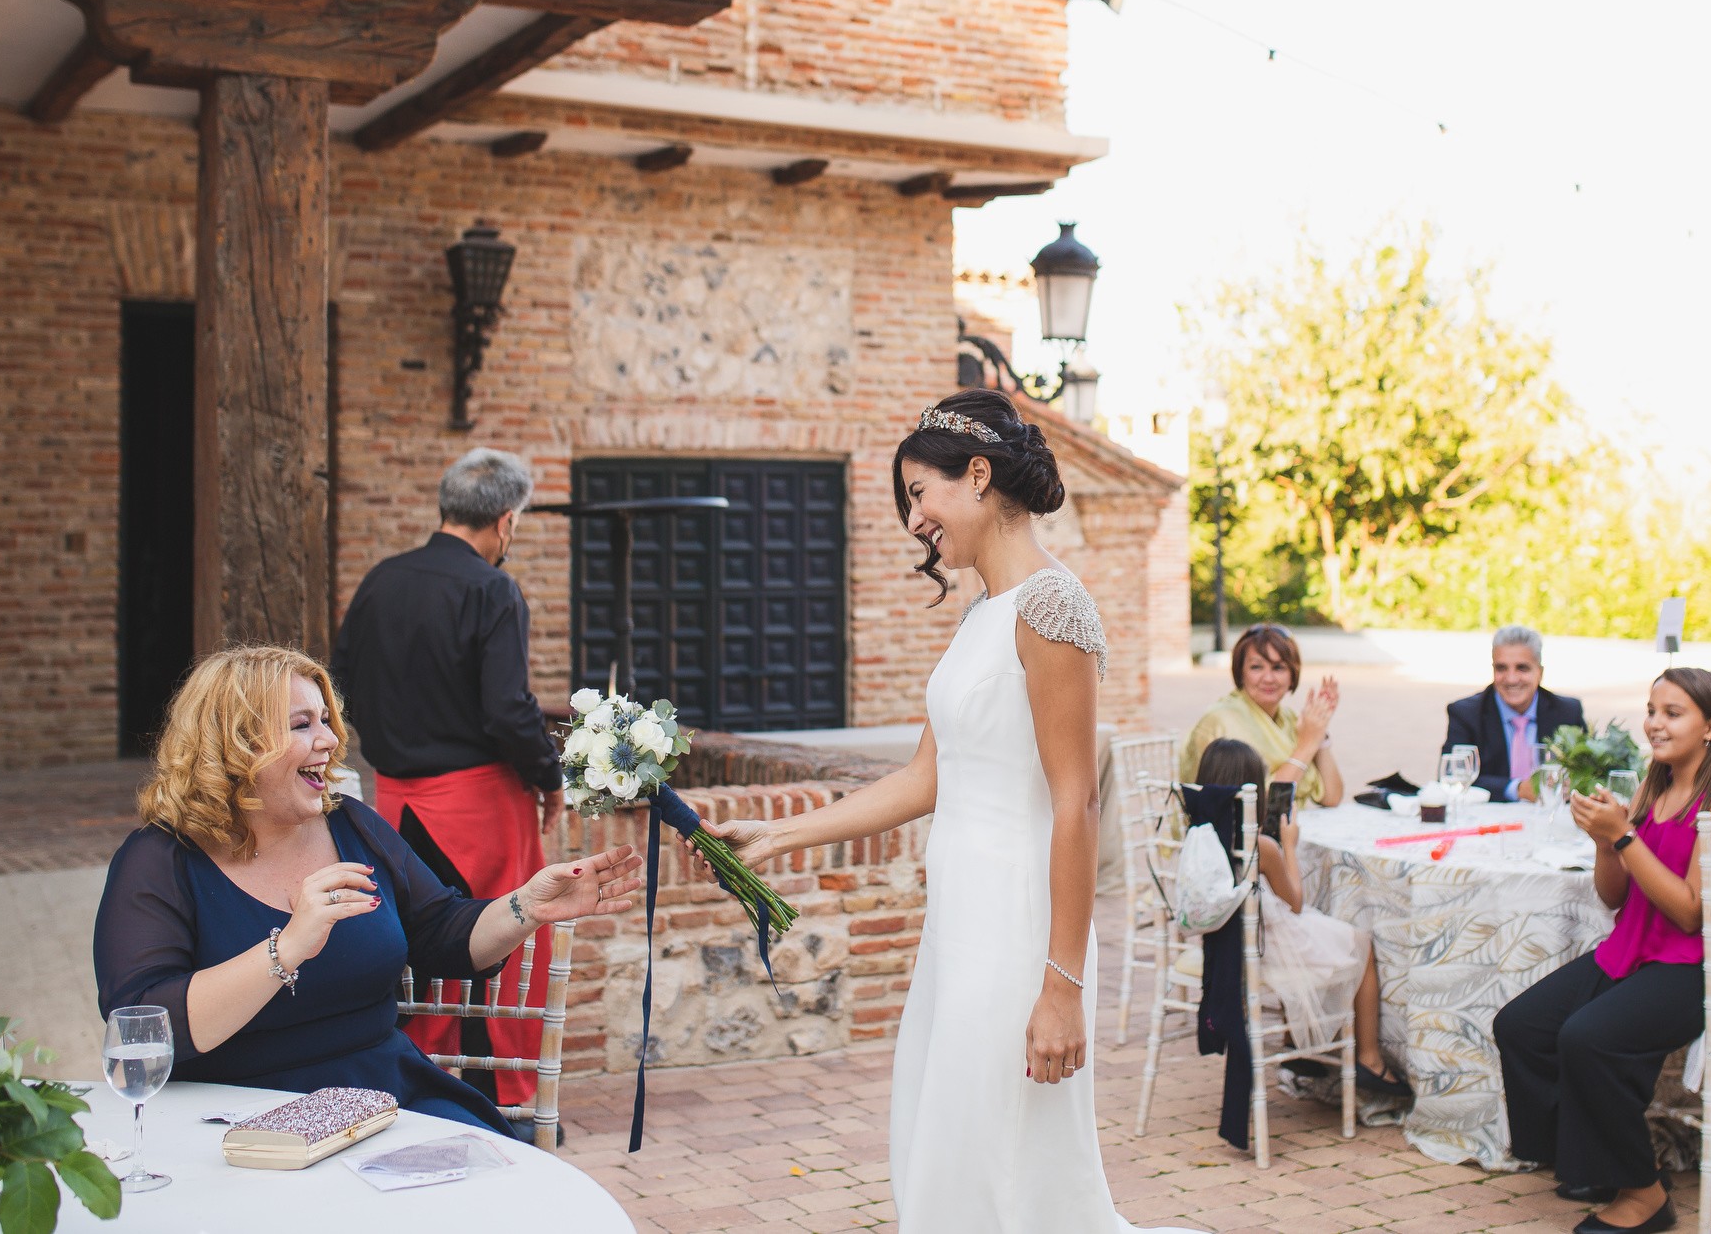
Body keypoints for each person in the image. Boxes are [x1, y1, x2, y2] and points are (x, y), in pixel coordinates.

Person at [693, 390, 1200, 1234]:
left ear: (976, 474)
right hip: (959, 924)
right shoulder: (980, 614)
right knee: (944, 1143)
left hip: (1020, 930)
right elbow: (928, 776)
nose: (915, 519)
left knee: (995, 1163)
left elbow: (1075, 800)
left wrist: (1062, 989)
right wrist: (778, 833)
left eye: (919, 493)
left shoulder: (1051, 606)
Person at [92, 645, 641, 1136]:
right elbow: (145, 1027)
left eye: (327, 721)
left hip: (381, 1102)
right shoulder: (158, 862)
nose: (330, 741)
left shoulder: (351, 826)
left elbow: (443, 933)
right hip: (233, 1121)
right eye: (303, 724)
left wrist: (527, 905)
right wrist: (287, 948)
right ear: (237, 745)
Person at [1492, 668, 1711, 1234]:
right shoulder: (1655, 785)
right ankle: (1589, 1163)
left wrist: (1625, 836)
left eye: (1673, 713)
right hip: (1635, 949)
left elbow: (1693, 912)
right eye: (1652, 710)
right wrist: (1606, 843)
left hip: (1703, 965)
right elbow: (1614, 895)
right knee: (1521, 1026)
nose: (1654, 724)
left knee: (1588, 1037)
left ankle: (1645, 1195)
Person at [330, 447, 562, 1106]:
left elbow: (340, 683)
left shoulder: (381, 578)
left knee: (412, 946)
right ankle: (500, 1095)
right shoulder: (492, 589)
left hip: (395, 801)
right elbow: (507, 709)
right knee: (498, 942)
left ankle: (408, 1085)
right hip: (476, 803)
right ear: (507, 521)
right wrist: (548, 775)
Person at [1192, 738, 1410, 1100]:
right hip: (1268, 946)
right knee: (1360, 943)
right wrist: (1288, 846)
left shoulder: (1200, 833)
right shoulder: (1261, 846)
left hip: (1229, 944)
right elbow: (1294, 901)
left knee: (1326, 929)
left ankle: (1301, 1048)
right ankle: (1370, 1057)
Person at [1179, 624, 1345, 808]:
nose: (1268, 678)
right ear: (1241, 672)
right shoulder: (1222, 721)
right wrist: (1306, 746)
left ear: (1292, 675)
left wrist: (1319, 732)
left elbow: (1331, 797)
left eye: (1278, 668)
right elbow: (1254, 807)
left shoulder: (1289, 719)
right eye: (1256, 667)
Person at [1442, 625, 1586, 801]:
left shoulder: (1567, 713)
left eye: (1522, 668)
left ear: (1540, 672)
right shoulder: (1466, 713)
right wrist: (1517, 789)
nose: (1511, 679)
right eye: (1501, 668)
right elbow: (1451, 777)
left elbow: (1588, 773)